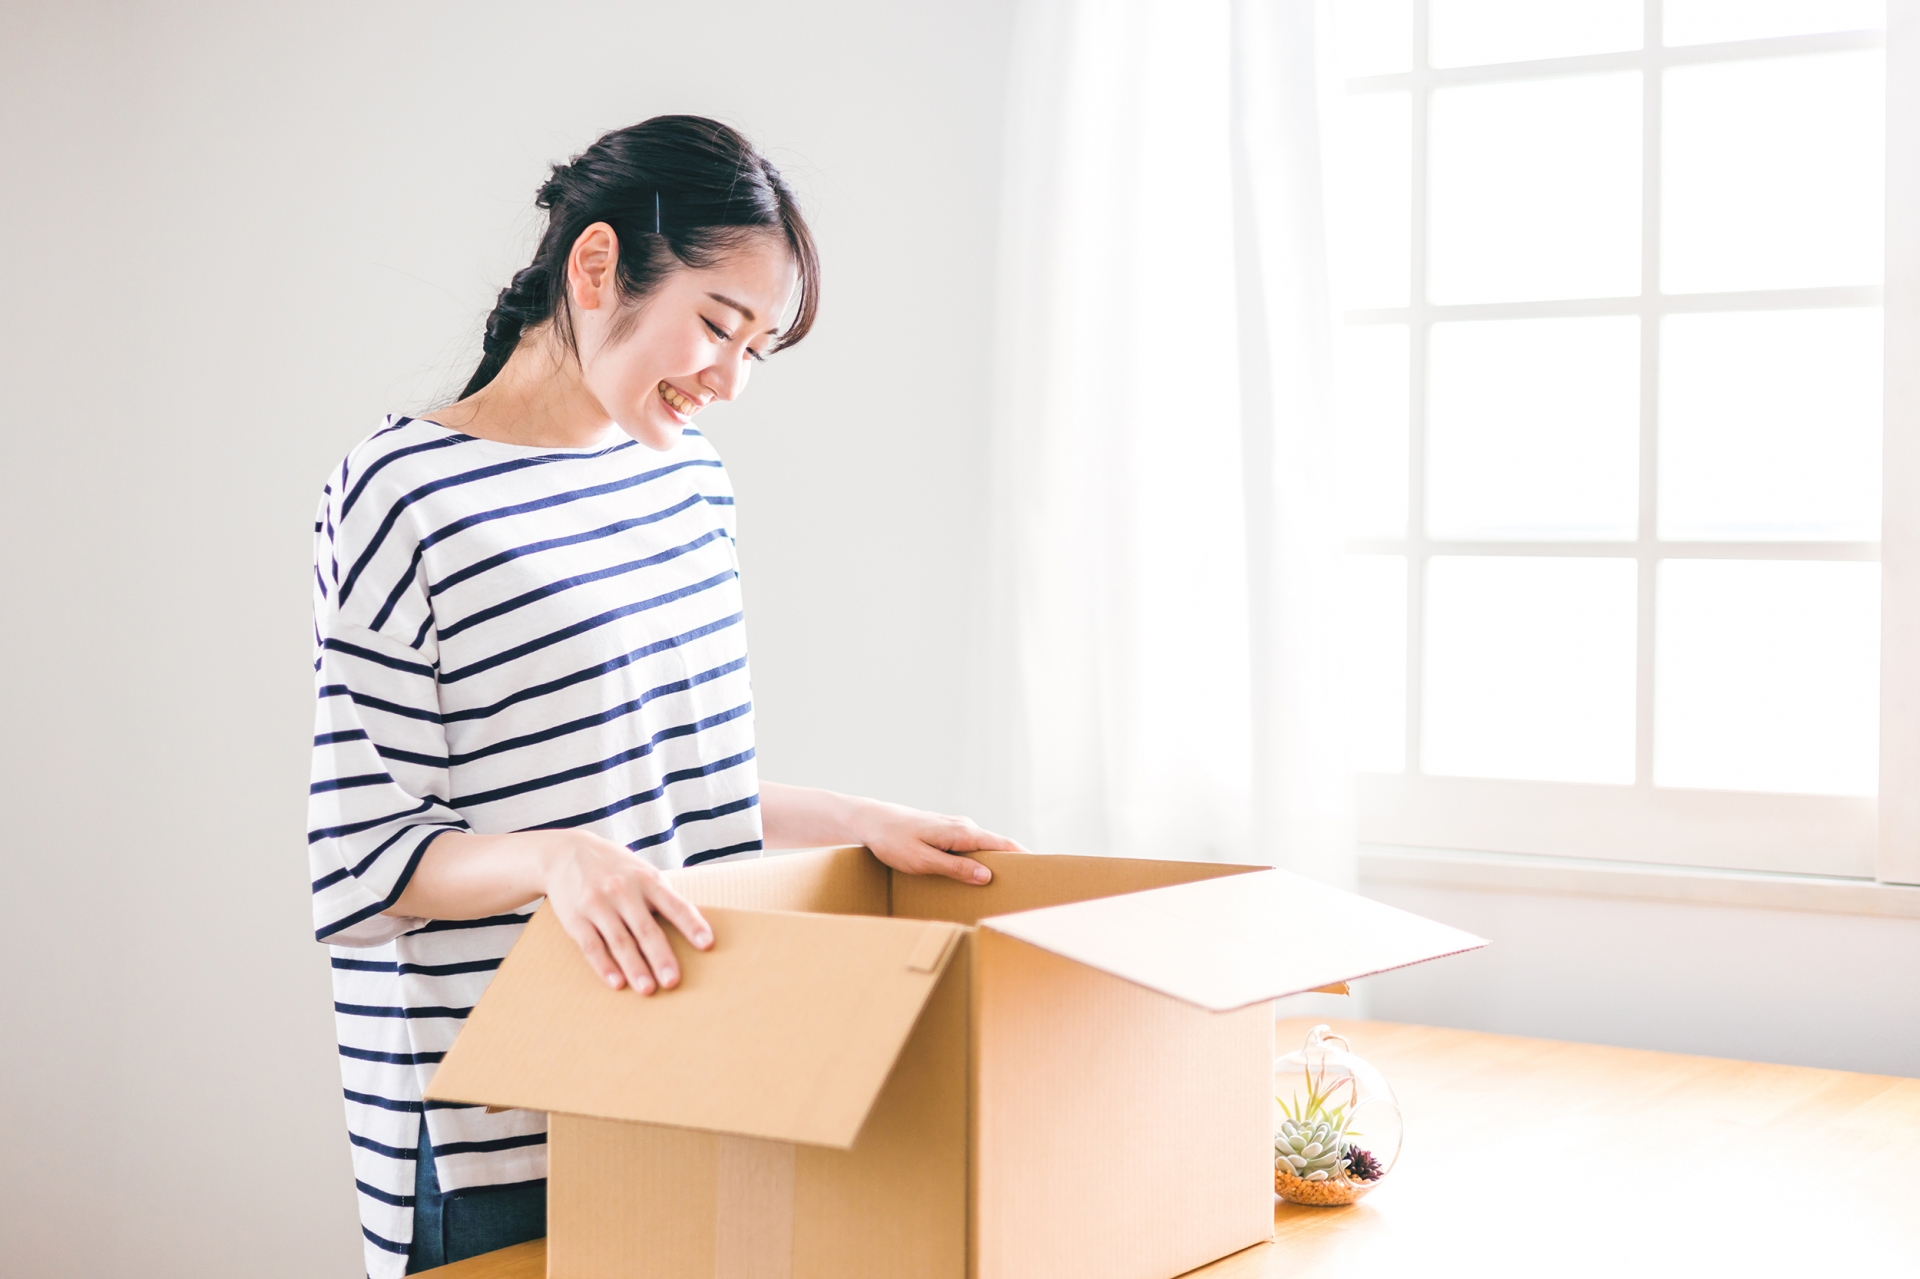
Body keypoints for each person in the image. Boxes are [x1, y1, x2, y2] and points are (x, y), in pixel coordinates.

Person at [306, 115, 1021, 1278]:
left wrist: (855, 821)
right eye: (717, 326)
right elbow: (361, 859)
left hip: (689, 1063)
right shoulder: (404, 493)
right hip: (492, 1114)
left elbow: (666, 789)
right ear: (596, 267)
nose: (730, 380)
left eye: (758, 350)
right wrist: (554, 859)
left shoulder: (687, 483)